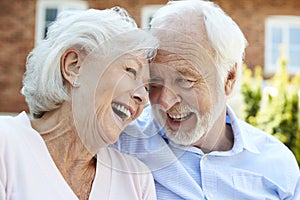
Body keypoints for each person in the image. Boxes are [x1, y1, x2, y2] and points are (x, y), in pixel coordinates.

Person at [115, 0, 300, 199]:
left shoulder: (278, 165)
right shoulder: (122, 144)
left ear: (229, 78)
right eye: (155, 83)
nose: (165, 101)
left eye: (185, 81)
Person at [0, 7, 158, 200]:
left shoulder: (136, 179)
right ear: (74, 66)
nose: (143, 97)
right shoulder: (6, 144)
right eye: (131, 71)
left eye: (147, 88)